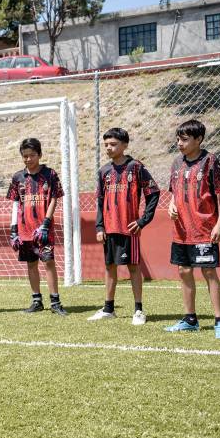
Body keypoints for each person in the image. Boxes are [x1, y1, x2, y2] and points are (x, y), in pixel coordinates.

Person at [166, 119, 220, 339]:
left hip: (204, 228)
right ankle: (190, 319)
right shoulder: (176, 162)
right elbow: (174, 191)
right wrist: (172, 204)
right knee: (184, 271)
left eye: (184, 139)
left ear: (199, 139)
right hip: (181, 230)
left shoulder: (210, 161)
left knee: (209, 272)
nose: (179, 143)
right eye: (178, 139)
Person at [90, 127, 161, 325]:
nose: (108, 148)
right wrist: (99, 227)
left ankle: (138, 310)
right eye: (106, 145)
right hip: (109, 228)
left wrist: (142, 220)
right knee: (109, 267)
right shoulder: (104, 171)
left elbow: (153, 192)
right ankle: (108, 309)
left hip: (129, 228)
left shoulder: (135, 167)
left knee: (133, 267)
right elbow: (100, 201)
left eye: (113, 144)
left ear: (125, 145)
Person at [7, 138, 66, 316]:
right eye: (25, 156)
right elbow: (15, 203)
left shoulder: (50, 174)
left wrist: (46, 223)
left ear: (39, 155)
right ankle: (36, 301)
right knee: (31, 264)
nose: (28, 159)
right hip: (24, 230)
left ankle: (55, 302)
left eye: (32, 155)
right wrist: (13, 230)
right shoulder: (18, 177)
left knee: (48, 262)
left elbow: (54, 198)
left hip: (43, 230)